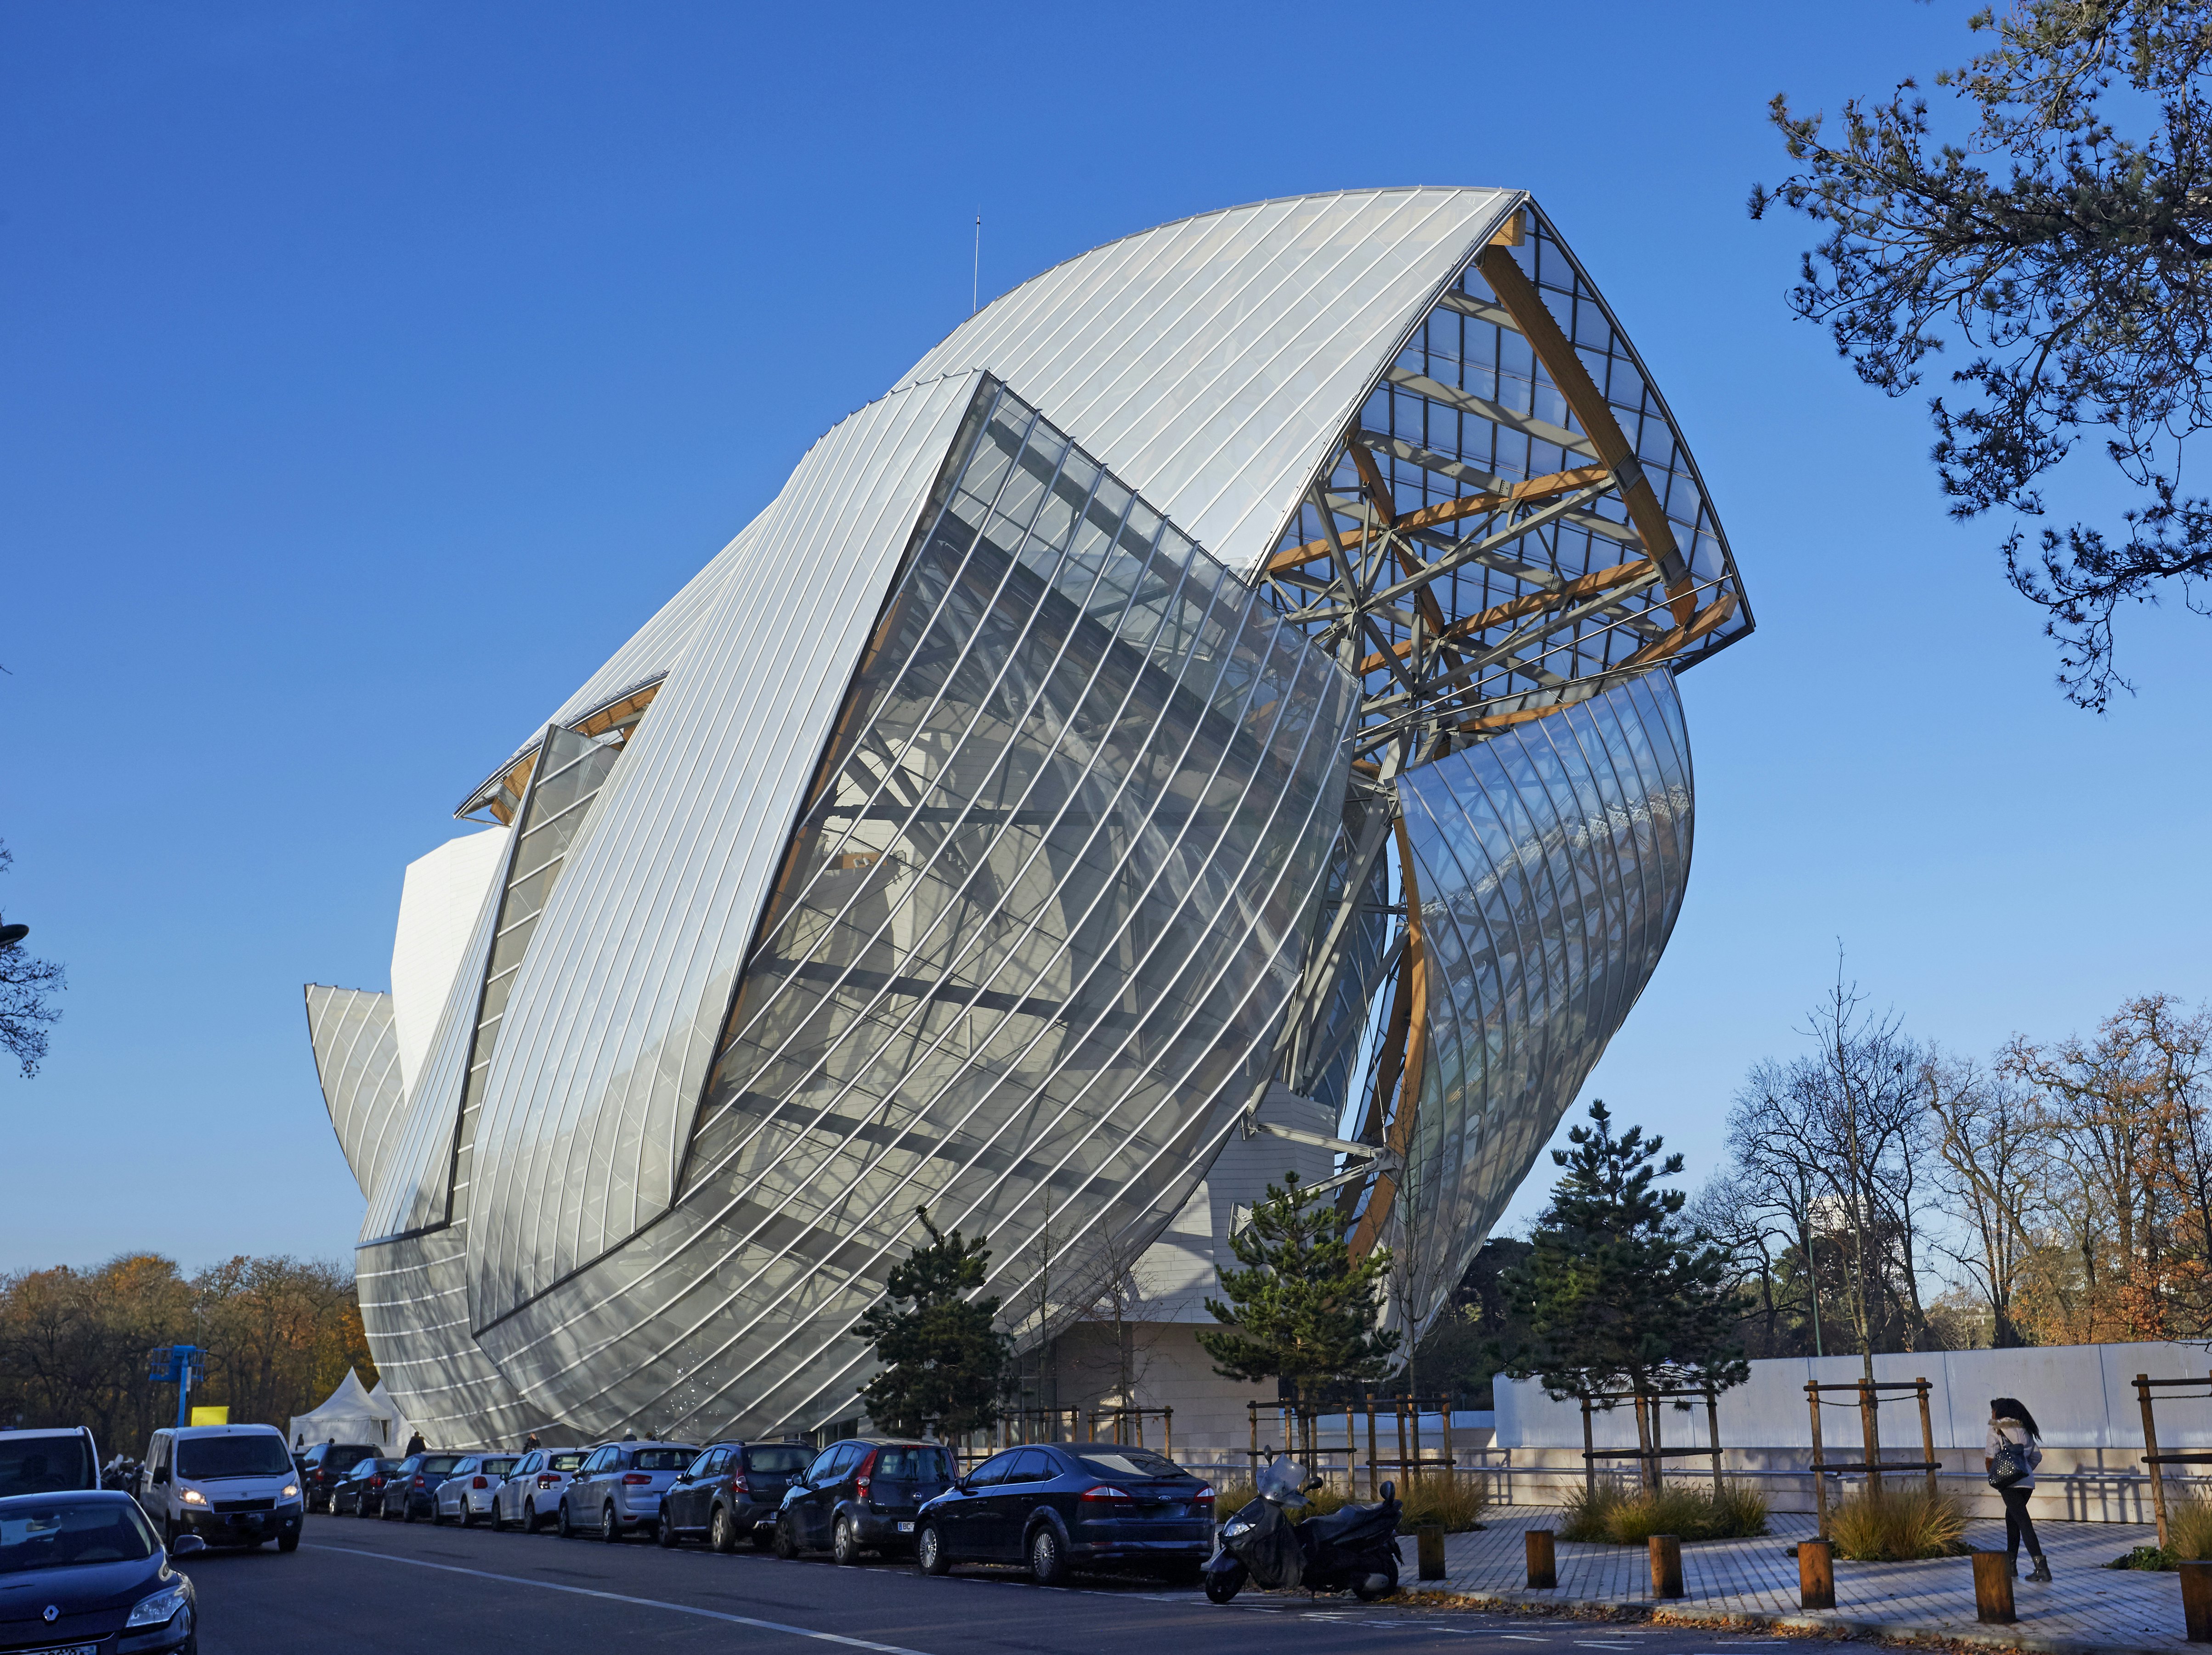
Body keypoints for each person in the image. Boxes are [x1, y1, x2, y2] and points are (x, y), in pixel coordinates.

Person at [1986, 1396, 2048, 1582]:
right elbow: (2037, 1456)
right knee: (2012, 1520)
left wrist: (1998, 1476)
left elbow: (1990, 1457)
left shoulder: (1996, 1429)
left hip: (2009, 1484)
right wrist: (2024, 1471)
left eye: (1993, 1411)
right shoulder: (2025, 1429)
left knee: (2023, 1522)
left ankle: (2041, 1567)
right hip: (2027, 1483)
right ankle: (2011, 1566)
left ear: (2000, 1412)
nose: (1992, 1415)